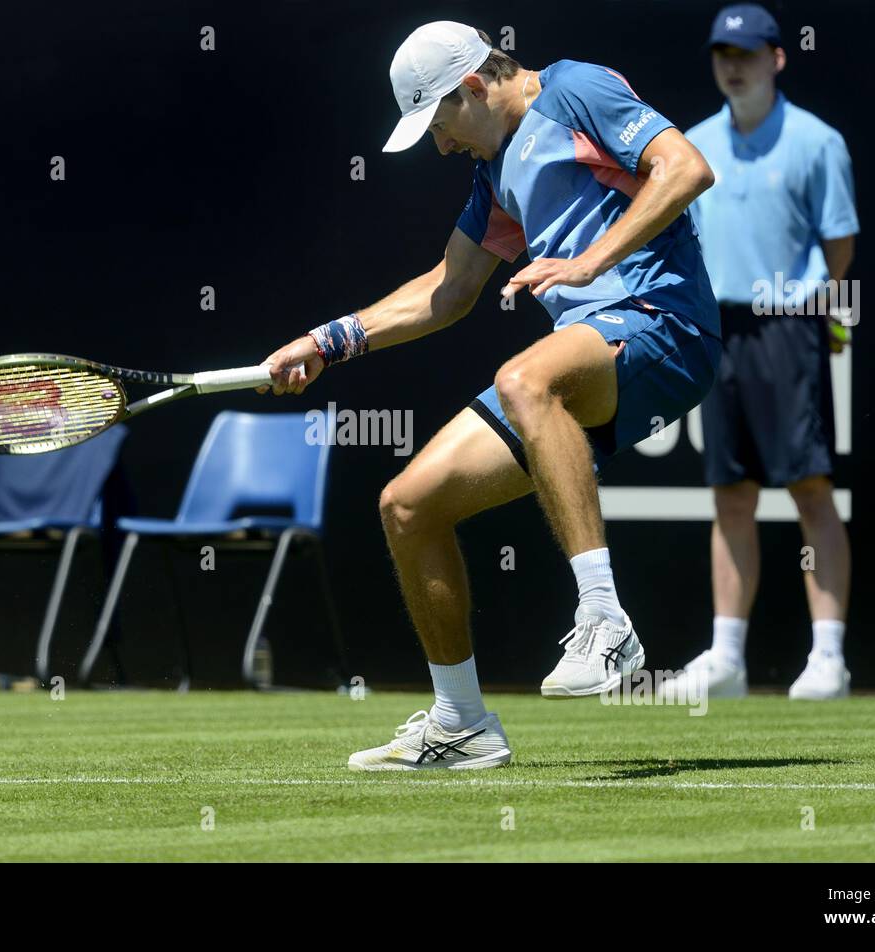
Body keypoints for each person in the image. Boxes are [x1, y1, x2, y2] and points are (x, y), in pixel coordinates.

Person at [260, 21, 720, 768]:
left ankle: (605, 617)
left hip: (665, 324)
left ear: (472, 86)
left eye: (440, 124)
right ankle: (461, 723)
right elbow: (447, 291)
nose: (441, 146)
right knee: (408, 506)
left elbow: (687, 168)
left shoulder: (576, 89)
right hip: (591, 357)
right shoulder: (496, 171)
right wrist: (329, 340)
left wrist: (587, 262)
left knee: (524, 376)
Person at [660, 4, 858, 703]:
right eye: (721, 53)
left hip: (788, 328)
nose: (732, 65)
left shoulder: (817, 142)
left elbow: (839, 249)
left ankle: (829, 658)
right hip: (719, 329)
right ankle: (728, 659)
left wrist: (805, 303)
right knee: (731, 496)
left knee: (809, 489)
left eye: (745, 53)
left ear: (777, 58)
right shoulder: (693, 146)